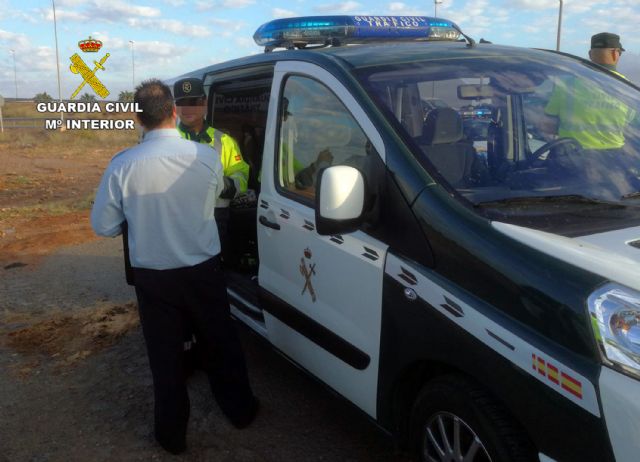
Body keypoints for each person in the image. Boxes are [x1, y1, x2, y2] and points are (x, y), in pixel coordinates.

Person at [90, 79, 258, 455]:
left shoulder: (122, 165)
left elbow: (102, 226)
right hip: (203, 269)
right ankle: (241, 411)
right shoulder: (207, 157)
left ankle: (171, 436)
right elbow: (216, 199)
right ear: (172, 112)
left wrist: (136, 219)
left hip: (154, 278)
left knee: (165, 357)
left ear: (138, 118)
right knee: (221, 343)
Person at [173, 77, 250, 261]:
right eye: (182, 102)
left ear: (204, 103)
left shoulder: (223, 141)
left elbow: (241, 176)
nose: (188, 108)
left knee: (212, 273)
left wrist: (226, 185)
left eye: (194, 102)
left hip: (214, 220)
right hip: (176, 217)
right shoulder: (168, 140)